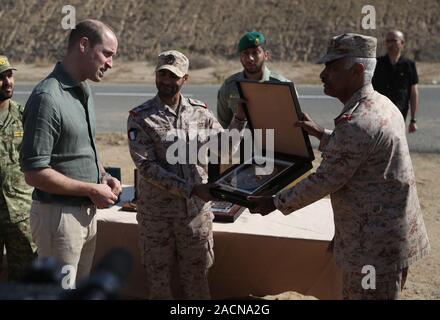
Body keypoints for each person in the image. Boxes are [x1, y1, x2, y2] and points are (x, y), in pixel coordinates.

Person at [248, 33, 430, 300]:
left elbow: (324, 180)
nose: (323, 75)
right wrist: (322, 135)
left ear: (357, 70)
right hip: (386, 240)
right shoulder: (380, 105)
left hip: (373, 249)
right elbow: (363, 151)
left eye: (332, 68)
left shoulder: (358, 122)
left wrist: (274, 202)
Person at [127, 50, 246, 299]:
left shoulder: (200, 112)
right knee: (159, 285)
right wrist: (190, 189)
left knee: (197, 283)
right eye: (162, 74)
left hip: (194, 217)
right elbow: (146, 167)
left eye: (173, 76)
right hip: (156, 218)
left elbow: (225, 148)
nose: (166, 81)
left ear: (185, 79)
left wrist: (239, 119)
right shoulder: (140, 117)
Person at [20, 20, 122, 285]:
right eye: (107, 54)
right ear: (84, 45)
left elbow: (78, 148)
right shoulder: (47, 97)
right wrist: (90, 189)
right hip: (59, 217)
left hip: (84, 215)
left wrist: (102, 177)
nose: (110, 63)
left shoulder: (82, 90)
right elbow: (34, 173)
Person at [0, 56, 36, 281]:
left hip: (21, 215)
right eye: (0, 78)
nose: (8, 82)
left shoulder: (24, 116)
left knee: (25, 278)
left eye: (9, 75)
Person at [216, 31, 290, 128]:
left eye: (255, 52)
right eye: (245, 53)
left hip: (273, 142)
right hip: (240, 142)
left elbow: (291, 128)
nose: (250, 58)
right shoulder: (229, 87)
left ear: (266, 55)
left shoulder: (283, 86)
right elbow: (223, 129)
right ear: (240, 57)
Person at [372, 30, 420, 133]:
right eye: (388, 41)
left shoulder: (409, 65)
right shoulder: (377, 64)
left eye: (394, 40)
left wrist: (413, 120)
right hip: (379, 112)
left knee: (397, 141)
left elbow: (413, 93)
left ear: (402, 43)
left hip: (400, 112)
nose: (390, 44)